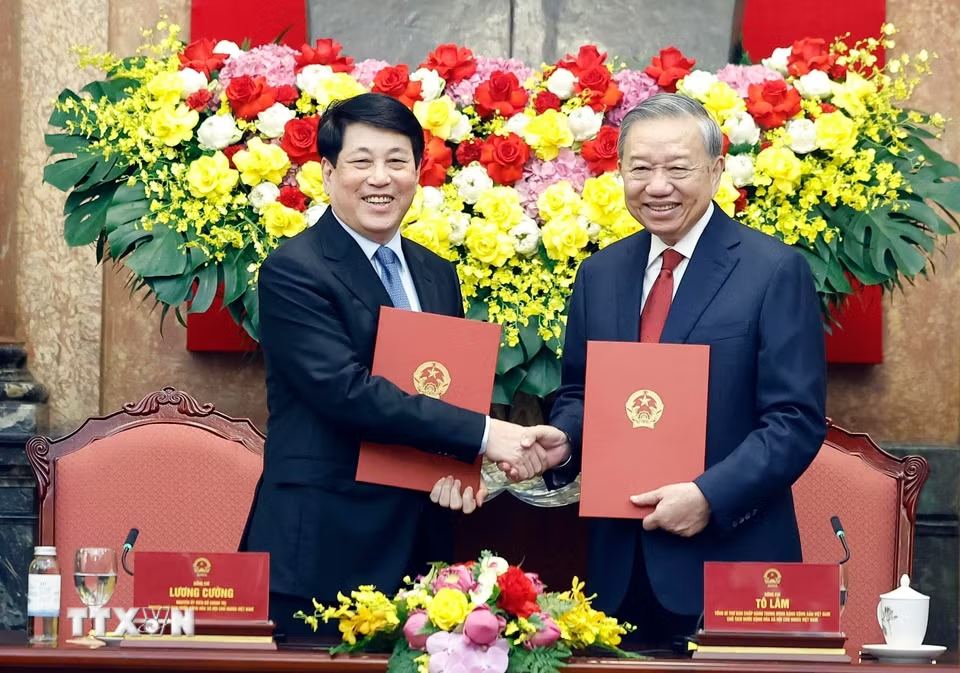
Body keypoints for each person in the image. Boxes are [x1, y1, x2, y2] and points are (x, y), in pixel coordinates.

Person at [520, 93, 827, 648]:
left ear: (715, 170)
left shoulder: (774, 271)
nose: (657, 186)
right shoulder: (600, 273)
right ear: (620, 173)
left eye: (678, 169)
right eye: (640, 169)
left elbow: (794, 421)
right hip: (620, 570)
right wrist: (564, 438)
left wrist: (709, 495)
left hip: (737, 565)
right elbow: (581, 389)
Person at [240, 93, 544, 639]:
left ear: (417, 172)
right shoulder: (294, 270)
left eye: (397, 160)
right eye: (361, 161)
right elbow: (346, 392)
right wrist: (483, 434)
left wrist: (456, 469)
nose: (380, 178)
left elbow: (441, 388)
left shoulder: (436, 273)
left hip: (418, 553)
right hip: (322, 552)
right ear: (328, 174)